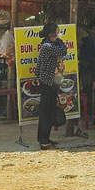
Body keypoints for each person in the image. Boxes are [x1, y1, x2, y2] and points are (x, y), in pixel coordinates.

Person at [36, 22, 67, 150]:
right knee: (46, 111)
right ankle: (43, 141)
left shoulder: (51, 44)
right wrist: (60, 42)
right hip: (47, 82)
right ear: (50, 35)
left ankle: (45, 138)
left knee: (49, 110)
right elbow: (63, 50)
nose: (58, 36)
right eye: (56, 34)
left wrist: (59, 41)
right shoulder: (47, 46)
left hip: (52, 82)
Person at [79, 25, 95, 120]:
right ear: (90, 30)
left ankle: (90, 108)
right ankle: (84, 108)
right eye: (94, 29)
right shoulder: (84, 40)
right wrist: (81, 61)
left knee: (93, 88)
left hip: (94, 67)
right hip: (85, 67)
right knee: (86, 87)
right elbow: (77, 48)